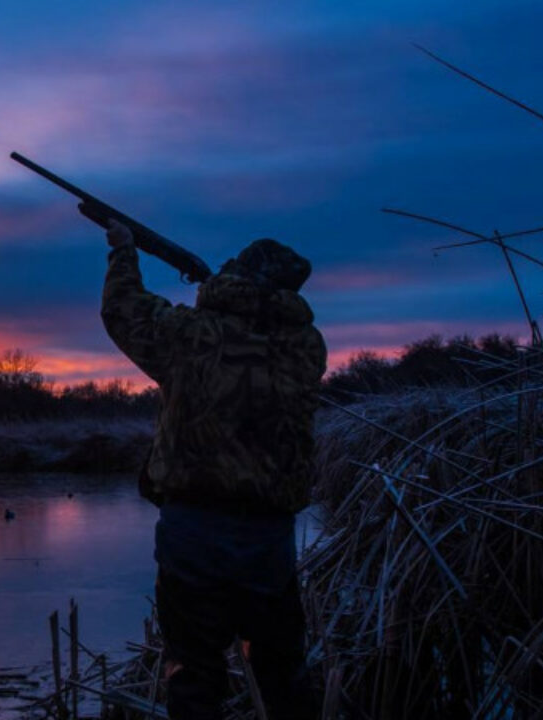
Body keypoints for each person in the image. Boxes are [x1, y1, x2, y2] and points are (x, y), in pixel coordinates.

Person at [99, 219, 326, 719]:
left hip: (194, 531)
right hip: (270, 537)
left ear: (238, 276)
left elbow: (124, 310)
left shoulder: (192, 334)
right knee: (282, 672)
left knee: (194, 672)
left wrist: (123, 251)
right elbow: (251, 334)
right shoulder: (307, 347)